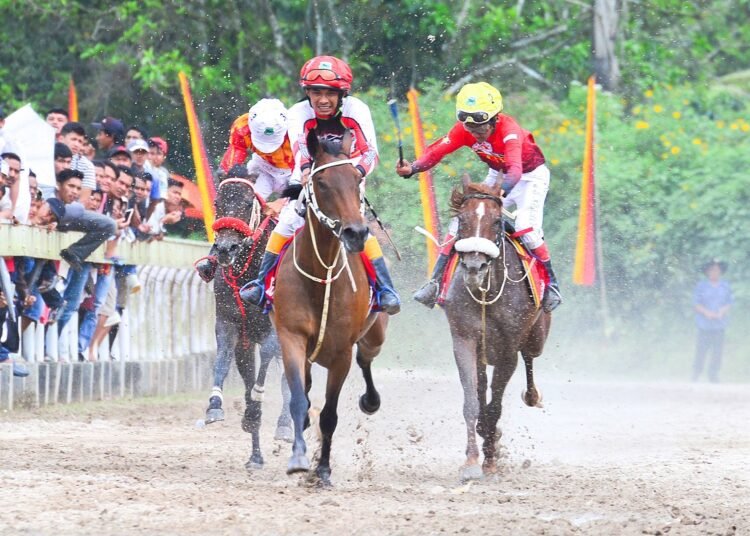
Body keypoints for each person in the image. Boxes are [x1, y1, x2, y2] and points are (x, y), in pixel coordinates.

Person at [239, 55, 400, 315]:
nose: (322, 100)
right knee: (289, 219)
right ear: (307, 92)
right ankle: (261, 283)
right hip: (311, 170)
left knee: (356, 222)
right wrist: (304, 172)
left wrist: (354, 174)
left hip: (350, 172)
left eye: (330, 93)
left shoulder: (357, 109)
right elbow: (301, 149)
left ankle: (385, 288)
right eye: (316, 92)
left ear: (342, 94)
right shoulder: (297, 113)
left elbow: (370, 152)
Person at [395, 82, 561, 312]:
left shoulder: (509, 130)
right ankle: (435, 283)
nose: (475, 133)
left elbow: (515, 170)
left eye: (481, 127)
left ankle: (552, 285)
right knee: (461, 220)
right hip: (498, 173)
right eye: (470, 127)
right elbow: (436, 152)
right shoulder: (464, 129)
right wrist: (412, 168)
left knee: (527, 229)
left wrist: (499, 195)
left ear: (495, 118)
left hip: (529, 177)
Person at [194, 98, 294, 282]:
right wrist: (231, 184)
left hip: (295, 174)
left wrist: (282, 202)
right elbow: (232, 165)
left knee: (294, 215)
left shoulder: (299, 130)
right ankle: (214, 257)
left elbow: (308, 173)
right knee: (240, 202)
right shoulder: (241, 126)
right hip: (262, 168)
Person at [692, 259, 733, 382]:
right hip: (704, 324)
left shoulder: (725, 286)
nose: (714, 272)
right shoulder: (701, 286)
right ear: (707, 272)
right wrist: (707, 313)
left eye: (717, 270)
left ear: (720, 271)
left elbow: (729, 302)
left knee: (717, 352)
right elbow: (696, 303)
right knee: (701, 350)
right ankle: (696, 373)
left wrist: (721, 312)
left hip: (719, 324)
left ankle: (713, 374)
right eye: (712, 270)